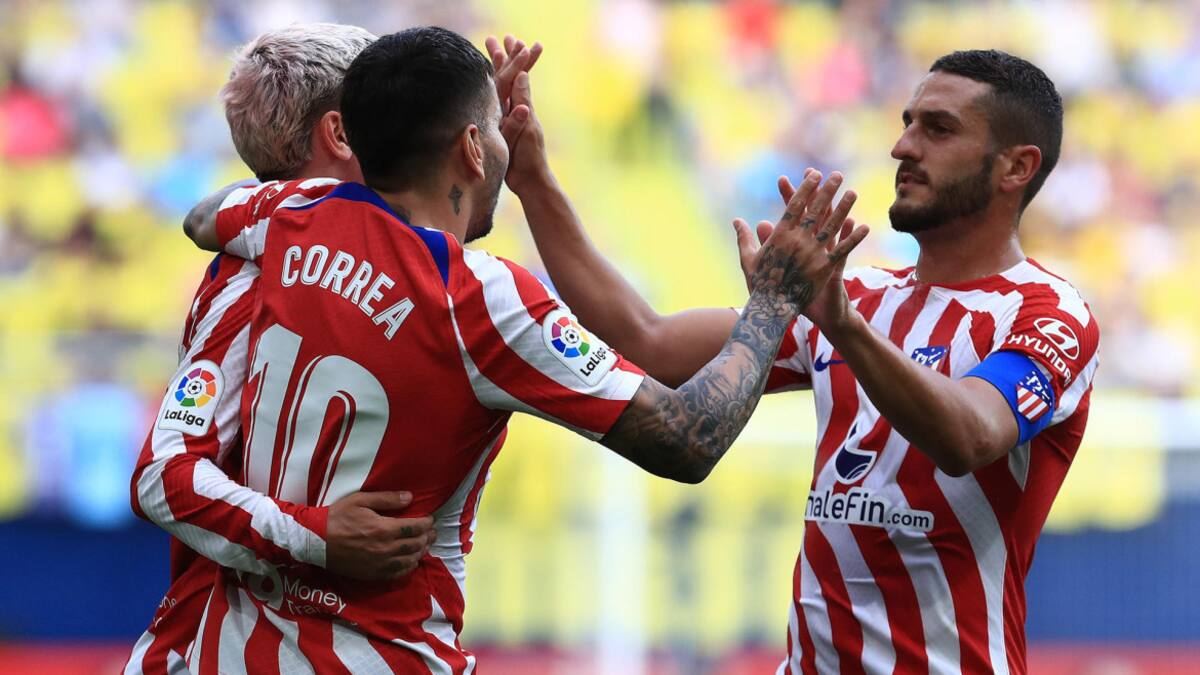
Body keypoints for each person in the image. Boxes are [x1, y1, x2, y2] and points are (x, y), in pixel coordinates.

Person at [180, 26, 866, 673]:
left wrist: (531, 174)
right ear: (475, 148)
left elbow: (204, 215)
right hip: (386, 651)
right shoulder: (477, 296)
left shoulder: (284, 221)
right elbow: (688, 438)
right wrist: (775, 302)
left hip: (238, 640)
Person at [503, 49, 1099, 673]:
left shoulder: (1050, 314)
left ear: (1016, 168)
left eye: (938, 128)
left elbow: (969, 436)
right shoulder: (859, 299)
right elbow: (644, 337)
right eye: (906, 122)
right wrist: (535, 181)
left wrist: (841, 325)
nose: (903, 147)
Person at [122, 24, 457, 673]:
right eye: (388, 113)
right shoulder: (259, 276)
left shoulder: (335, 257)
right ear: (340, 133)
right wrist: (316, 535)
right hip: (209, 651)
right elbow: (162, 475)